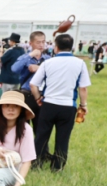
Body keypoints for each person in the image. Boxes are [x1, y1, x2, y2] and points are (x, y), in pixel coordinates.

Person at [29, 33, 90, 171]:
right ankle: (57, 167)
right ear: (72, 47)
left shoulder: (47, 63)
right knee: (63, 138)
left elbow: (33, 84)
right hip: (68, 106)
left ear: (55, 47)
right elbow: (83, 88)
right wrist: (83, 105)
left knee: (41, 136)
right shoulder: (80, 64)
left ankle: (36, 164)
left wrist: (38, 98)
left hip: (48, 104)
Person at [12, 31, 50, 124]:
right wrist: (30, 55)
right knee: (24, 125)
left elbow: (55, 73)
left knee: (40, 125)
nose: (41, 45)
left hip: (43, 95)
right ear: (30, 43)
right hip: (27, 94)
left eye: (43, 42)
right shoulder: (25, 57)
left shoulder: (48, 59)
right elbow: (14, 69)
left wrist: (39, 68)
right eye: (38, 42)